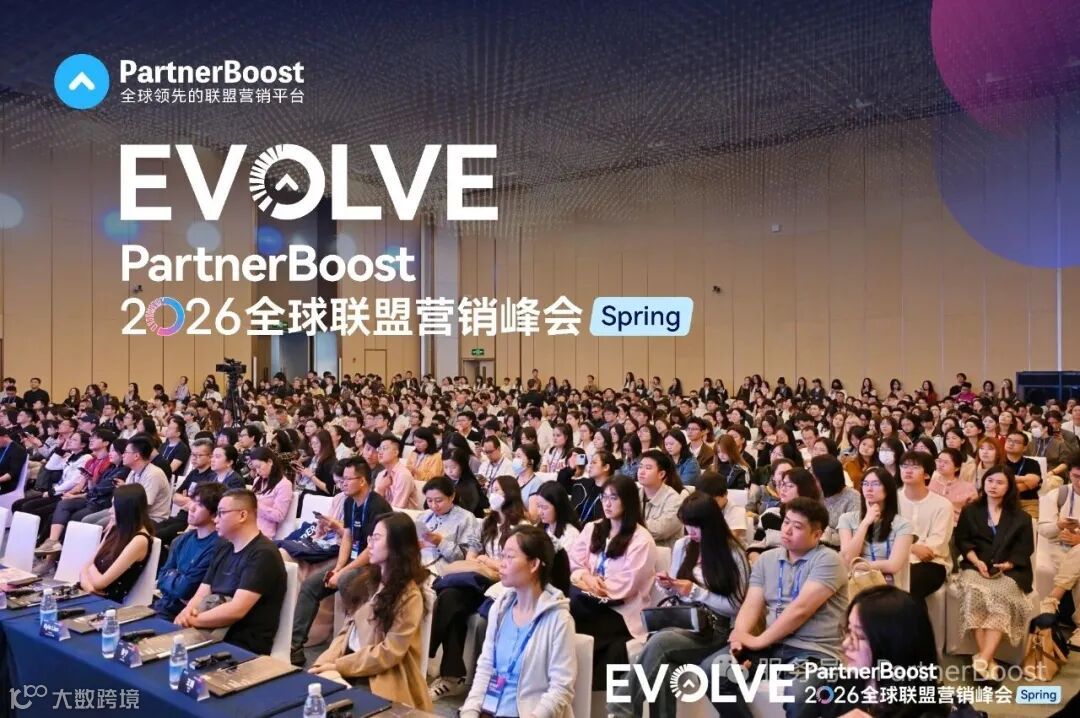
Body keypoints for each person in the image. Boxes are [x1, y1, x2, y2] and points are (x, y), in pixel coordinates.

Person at [703, 497, 847, 718]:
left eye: (797, 526)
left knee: (798, 694)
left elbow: (800, 610)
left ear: (817, 535)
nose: (787, 530)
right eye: (786, 522)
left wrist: (758, 641)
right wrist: (739, 638)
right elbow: (751, 605)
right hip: (772, 649)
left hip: (814, 653)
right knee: (712, 670)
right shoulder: (767, 559)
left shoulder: (828, 560)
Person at [611, 492, 748, 718]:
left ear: (711, 524)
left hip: (715, 630)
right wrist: (669, 585)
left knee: (659, 642)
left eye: (696, 526)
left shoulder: (732, 553)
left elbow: (736, 606)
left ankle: (620, 709)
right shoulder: (683, 546)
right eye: (687, 525)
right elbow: (678, 591)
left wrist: (695, 591)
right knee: (664, 668)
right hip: (683, 622)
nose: (691, 532)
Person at [310, 512, 433, 710]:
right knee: (311, 691)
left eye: (376, 538)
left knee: (342, 705)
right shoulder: (367, 582)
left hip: (380, 675)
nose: (370, 545)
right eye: (370, 538)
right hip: (350, 661)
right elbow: (346, 631)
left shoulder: (409, 596)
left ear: (397, 545)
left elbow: (389, 653)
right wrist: (325, 661)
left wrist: (338, 666)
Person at [427, 475, 530, 701]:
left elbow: (513, 565)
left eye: (499, 491)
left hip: (503, 585)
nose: (494, 494)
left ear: (510, 495)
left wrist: (487, 561)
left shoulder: (522, 528)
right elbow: (472, 554)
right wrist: (480, 561)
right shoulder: (486, 523)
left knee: (474, 614)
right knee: (449, 597)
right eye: (492, 489)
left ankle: (433, 655)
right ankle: (451, 676)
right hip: (479, 580)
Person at [460, 526, 577, 718]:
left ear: (534, 564)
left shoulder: (559, 619)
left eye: (510, 557)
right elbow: (485, 668)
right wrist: (470, 711)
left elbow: (561, 689)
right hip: (489, 711)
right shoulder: (500, 608)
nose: (501, 564)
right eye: (502, 556)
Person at [290, 457, 393, 665]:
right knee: (311, 585)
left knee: (346, 581)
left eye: (347, 479)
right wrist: (338, 568)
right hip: (352, 561)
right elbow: (348, 536)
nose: (342, 483)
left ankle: (348, 647)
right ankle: (295, 647)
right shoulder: (349, 502)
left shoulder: (377, 505)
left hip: (375, 564)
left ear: (362, 481)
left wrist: (343, 572)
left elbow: (372, 549)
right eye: (342, 479)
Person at [568, 474, 657, 689]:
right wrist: (587, 578)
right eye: (604, 497)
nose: (607, 504)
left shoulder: (641, 539)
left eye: (614, 498)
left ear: (628, 501)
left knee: (575, 620)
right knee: (565, 616)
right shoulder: (593, 528)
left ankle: (583, 690)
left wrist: (595, 587)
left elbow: (627, 584)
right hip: (589, 600)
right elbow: (574, 562)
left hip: (621, 611)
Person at [175, 488, 287, 655]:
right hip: (208, 631)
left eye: (221, 513)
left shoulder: (264, 554)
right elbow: (202, 593)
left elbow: (236, 610)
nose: (215, 519)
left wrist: (192, 620)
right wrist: (186, 612)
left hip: (241, 644)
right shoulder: (224, 546)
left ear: (242, 515)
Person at [954, 465, 1035, 680]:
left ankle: (982, 659)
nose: (993, 486)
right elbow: (962, 540)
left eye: (1000, 482)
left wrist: (1008, 564)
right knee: (975, 594)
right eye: (990, 481)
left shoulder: (1021, 517)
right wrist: (976, 561)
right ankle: (988, 662)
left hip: (1010, 570)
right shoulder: (971, 510)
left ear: (1009, 487)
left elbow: (1025, 548)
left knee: (1000, 596)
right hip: (975, 565)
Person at [832, 585, 950, 718]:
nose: (846, 644)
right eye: (849, 630)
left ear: (894, 645)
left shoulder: (926, 710)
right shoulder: (840, 687)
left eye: (860, 636)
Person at [153, 483, 226, 619]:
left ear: (214, 514)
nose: (191, 508)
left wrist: (172, 576)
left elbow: (185, 590)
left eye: (200, 505)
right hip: (161, 606)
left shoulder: (217, 547)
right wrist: (177, 579)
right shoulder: (182, 540)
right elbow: (161, 577)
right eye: (193, 501)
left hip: (182, 615)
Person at [78, 484, 154, 602]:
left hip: (105, 602)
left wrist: (89, 574)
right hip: (88, 592)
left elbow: (101, 583)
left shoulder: (139, 540)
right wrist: (89, 586)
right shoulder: (115, 528)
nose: (110, 510)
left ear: (126, 509)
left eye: (114, 506)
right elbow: (85, 567)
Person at [839, 467, 913, 586]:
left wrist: (858, 565)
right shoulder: (847, 519)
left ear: (887, 489)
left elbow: (893, 565)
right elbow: (848, 558)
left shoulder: (902, 524)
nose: (869, 488)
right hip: (854, 583)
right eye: (865, 484)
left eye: (875, 484)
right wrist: (865, 523)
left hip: (887, 585)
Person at [896, 451, 953, 599]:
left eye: (915, 467)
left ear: (927, 475)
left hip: (931, 562)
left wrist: (912, 549)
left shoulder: (943, 505)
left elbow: (938, 542)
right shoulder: (892, 501)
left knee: (911, 584)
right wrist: (912, 547)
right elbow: (886, 536)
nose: (908, 470)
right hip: (894, 559)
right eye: (904, 466)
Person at [1036, 458, 1080, 648]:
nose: (1079, 481)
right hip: (1058, 547)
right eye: (1076, 476)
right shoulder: (1058, 495)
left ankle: (1052, 598)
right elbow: (1044, 530)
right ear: (1069, 474)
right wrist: (1059, 525)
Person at [414, 476, 481, 574]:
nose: (433, 505)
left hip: (442, 570)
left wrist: (440, 542)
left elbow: (464, 559)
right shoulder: (423, 516)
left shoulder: (466, 518)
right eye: (429, 500)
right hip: (417, 564)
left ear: (452, 497)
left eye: (438, 500)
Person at [636, 448, 686, 548]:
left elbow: (660, 530)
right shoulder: (635, 495)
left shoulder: (674, 499)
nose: (641, 471)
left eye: (648, 468)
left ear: (661, 474)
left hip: (663, 552)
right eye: (640, 467)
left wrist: (629, 526)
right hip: (637, 549)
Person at [811, 454, 859, 548]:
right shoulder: (815, 492)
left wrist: (827, 534)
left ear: (826, 479)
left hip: (837, 547)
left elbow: (853, 536)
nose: (811, 479)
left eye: (815, 477)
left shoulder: (853, 498)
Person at [247, 446, 294, 538]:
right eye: (255, 468)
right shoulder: (258, 480)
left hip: (263, 533)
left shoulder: (284, 484)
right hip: (248, 527)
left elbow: (279, 516)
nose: (257, 471)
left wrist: (256, 504)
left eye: (259, 467)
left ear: (270, 462)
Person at [929, 447, 977, 524]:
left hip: (957, 525)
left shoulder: (968, 488)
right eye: (939, 461)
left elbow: (973, 513)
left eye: (946, 462)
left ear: (957, 468)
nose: (941, 465)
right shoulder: (929, 484)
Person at [1003, 429, 1043, 518]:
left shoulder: (1032, 463)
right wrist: (1025, 480)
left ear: (1024, 447)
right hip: (1002, 501)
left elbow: (1034, 482)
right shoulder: (999, 462)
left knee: (1032, 522)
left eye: (1016, 442)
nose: (1011, 444)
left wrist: (1008, 481)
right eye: (1009, 440)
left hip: (1028, 502)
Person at [533, 480, 581, 554]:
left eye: (544, 507)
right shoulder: (543, 526)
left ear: (558, 507)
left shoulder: (570, 534)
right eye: (538, 506)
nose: (539, 512)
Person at [442, 446, 486, 517]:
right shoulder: (443, 481)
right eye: (445, 467)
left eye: (453, 467)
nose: (449, 471)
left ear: (462, 466)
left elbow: (468, 510)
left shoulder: (470, 485)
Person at [0, 427, 28, 494]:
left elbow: (12, 474)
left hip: (7, 485)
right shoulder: (1, 448)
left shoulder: (18, 450)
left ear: (5, 436)